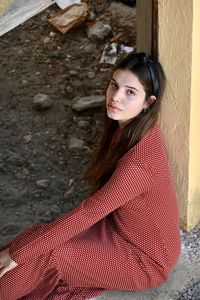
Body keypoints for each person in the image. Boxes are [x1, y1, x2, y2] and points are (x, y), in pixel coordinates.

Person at [0, 52, 181, 300]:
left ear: (148, 102)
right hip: (117, 229)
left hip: (145, 261)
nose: (115, 97)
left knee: (49, 253)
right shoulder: (132, 128)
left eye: (130, 92)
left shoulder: (139, 164)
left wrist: (17, 254)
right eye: (114, 85)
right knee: (38, 237)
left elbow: (89, 212)